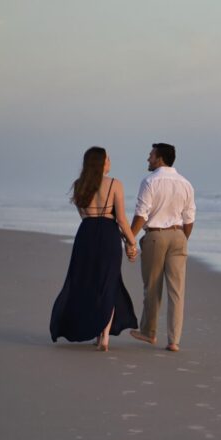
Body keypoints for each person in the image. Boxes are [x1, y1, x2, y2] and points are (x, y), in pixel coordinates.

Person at [50, 147, 140, 351]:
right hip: (108, 235)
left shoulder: (79, 185)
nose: (110, 162)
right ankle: (104, 337)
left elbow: (83, 215)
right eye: (108, 158)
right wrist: (132, 243)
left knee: (87, 281)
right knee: (108, 282)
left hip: (86, 233)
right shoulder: (115, 184)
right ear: (101, 162)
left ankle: (90, 328)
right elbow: (122, 220)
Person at [128, 143, 196, 353]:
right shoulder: (186, 183)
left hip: (156, 236)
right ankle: (174, 340)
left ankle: (149, 332)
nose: (148, 159)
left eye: (151, 155)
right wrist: (181, 238)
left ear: (159, 158)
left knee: (152, 286)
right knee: (177, 291)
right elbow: (189, 217)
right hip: (179, 236)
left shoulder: (150, 181)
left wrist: (130, 238)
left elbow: (142, 214)